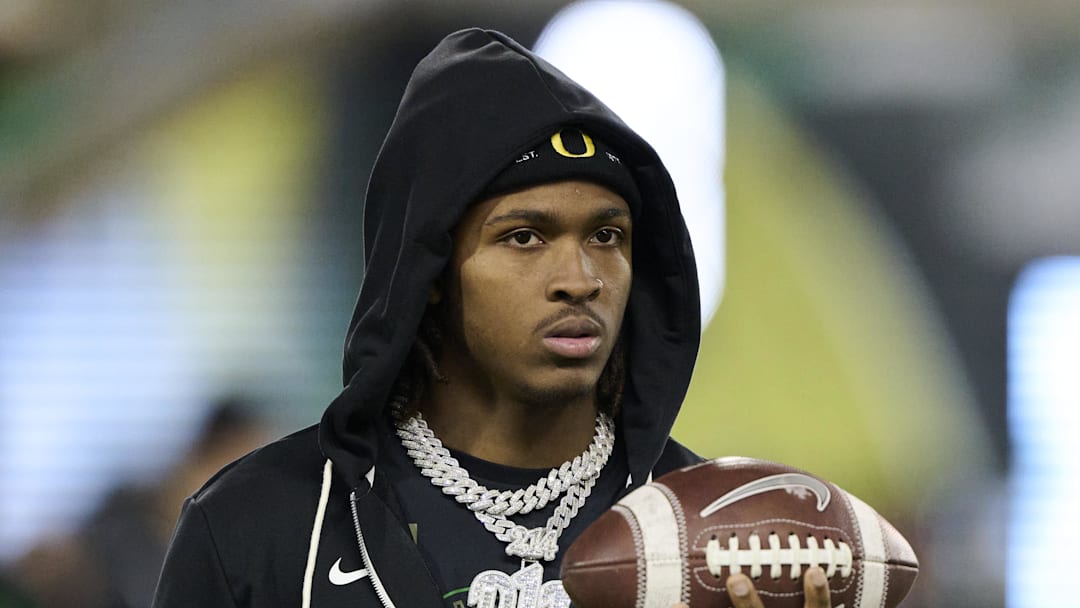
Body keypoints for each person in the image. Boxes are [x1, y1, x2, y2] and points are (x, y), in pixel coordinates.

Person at [152, 29, 831, 608]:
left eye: (607, 236)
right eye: (525, 237)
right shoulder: (255, 527)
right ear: (434, 271)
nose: (580, 280)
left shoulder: (719, 540)